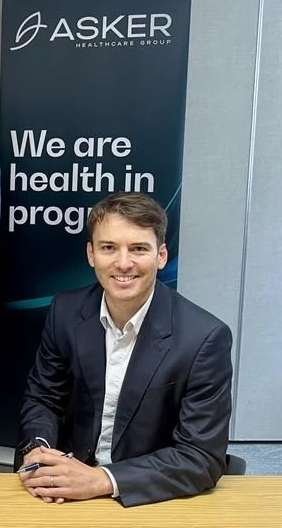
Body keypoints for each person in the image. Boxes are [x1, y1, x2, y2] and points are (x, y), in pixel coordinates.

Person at [17, 192, 233, 507]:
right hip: (65, 491)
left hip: (147, 498)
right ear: (91, 254)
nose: (123, 263)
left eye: (138, 249)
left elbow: (200, 457)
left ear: (161, 256)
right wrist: (39, 450)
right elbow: (43, 399)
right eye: (108, 248)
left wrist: (102, 479)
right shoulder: (65, 310)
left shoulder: (205, 338)